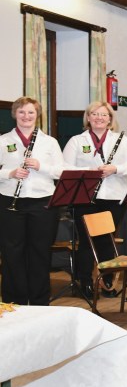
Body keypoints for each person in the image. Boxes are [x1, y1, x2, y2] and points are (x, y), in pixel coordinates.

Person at [63, 101, 127, 299]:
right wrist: (90, 171)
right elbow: (65, 167)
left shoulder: (121, 140)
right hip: (85, 198)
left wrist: (116, 169)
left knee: (106, 241)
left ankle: (107, 281)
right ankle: (85, 282)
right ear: (88, 118)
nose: (99, 118)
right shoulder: (76, 141)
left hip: (113, 197)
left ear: (110, 119)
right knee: (86, 242)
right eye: (95, 114)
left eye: (104, 115)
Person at [0, 97, 63, 306]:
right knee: (12, 253)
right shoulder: (3, 140)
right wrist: (10, 173)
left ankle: (39, 301)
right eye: (21, 112)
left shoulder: (50, 142)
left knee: (40, 252)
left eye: (30, 112)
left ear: (37, 115)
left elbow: (61, 171)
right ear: (14, 114)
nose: (26, 116)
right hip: (10, 200)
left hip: (43, 202)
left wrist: (40, 166)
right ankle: (14, 301)